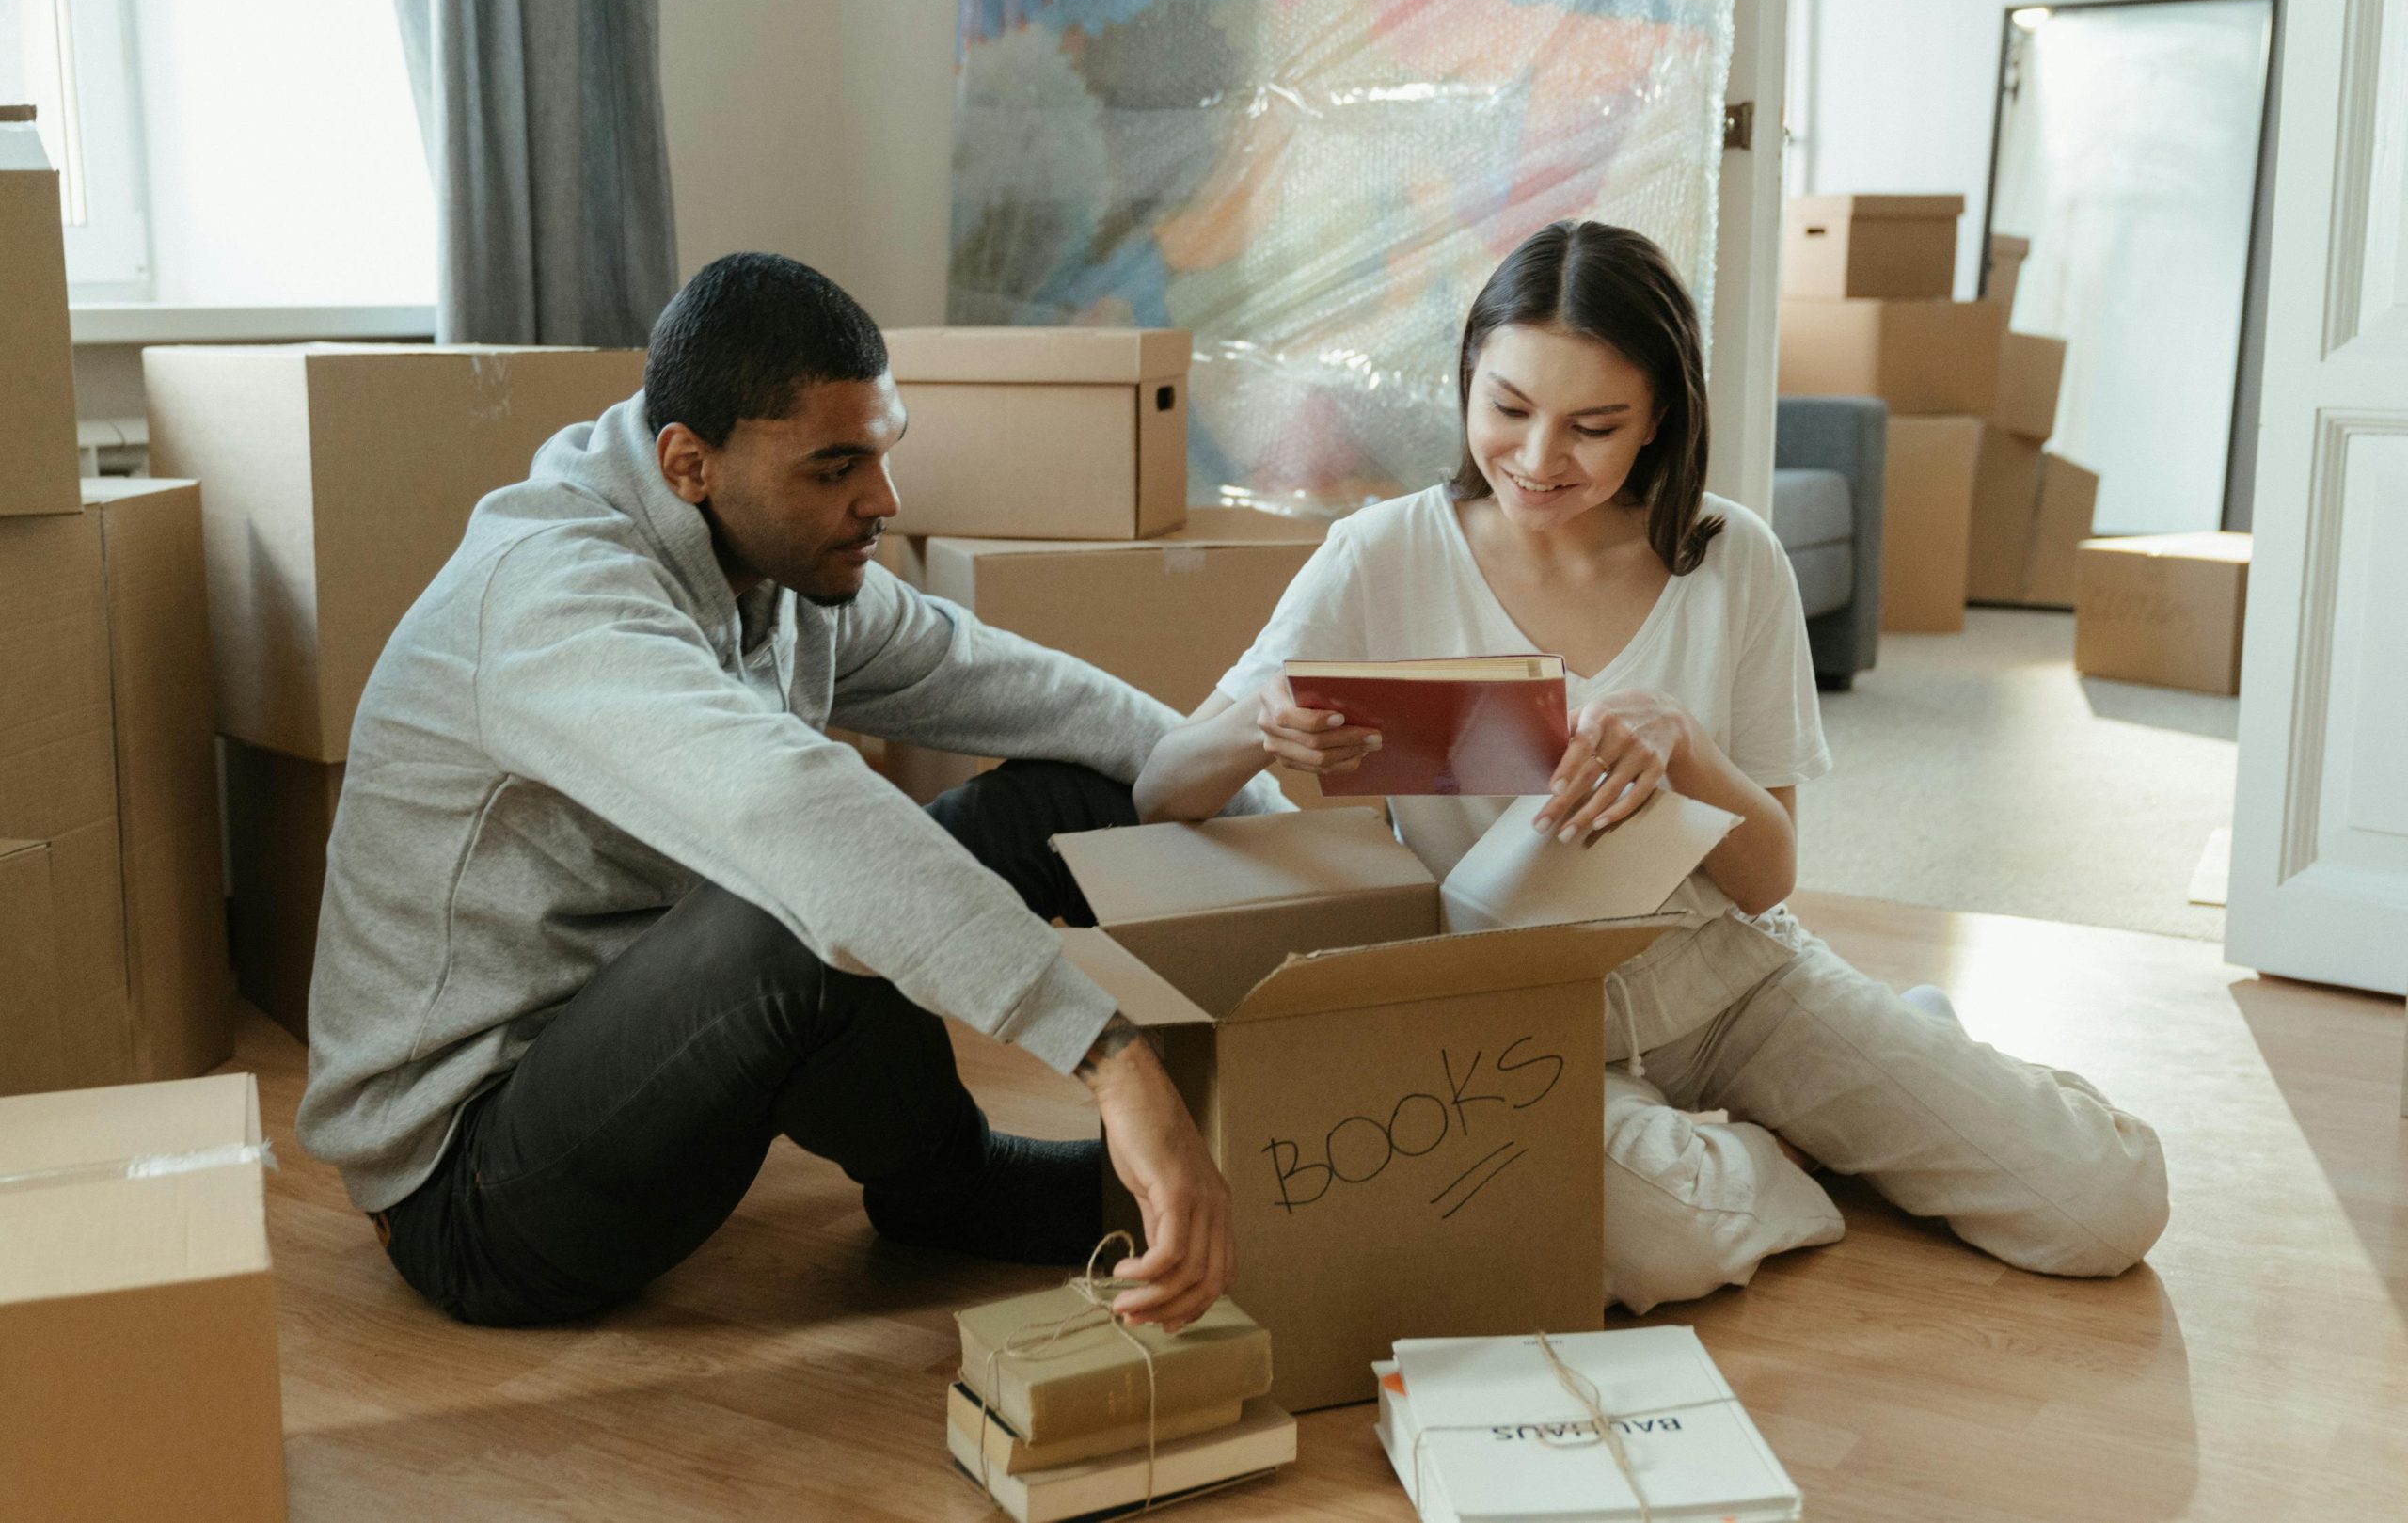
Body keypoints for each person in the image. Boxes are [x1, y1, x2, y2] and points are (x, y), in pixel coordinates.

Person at [1134, 221, 2169, 1312]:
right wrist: (1263, 720)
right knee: (1659, 1247)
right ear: (1466, 383)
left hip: (1735, 979)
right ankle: (1813, 1145)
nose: (1538, 461)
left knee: (2104, 1207)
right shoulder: (1379, 553)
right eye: (1508, 409)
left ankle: (1903, 1060)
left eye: (1593, 426)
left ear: (1660, 417)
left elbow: (1768, 881)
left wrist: (1689, 748)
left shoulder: (1733, 560)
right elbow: (1163, 786)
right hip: (1515, 1016)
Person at [297, 253, 1273, 1330]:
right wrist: (1108, 1053)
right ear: (687, 463)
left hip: (643, 1034)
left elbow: (1004, 679)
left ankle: (1303, 1072)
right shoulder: (552, 600)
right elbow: (793, 814)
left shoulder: (779, 561)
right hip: (476, 1188)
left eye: (885, 452)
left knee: (1061, 793)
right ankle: (956, 1180)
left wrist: (1252, 807)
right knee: (813, 897)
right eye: (834, 466)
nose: (882, 501)